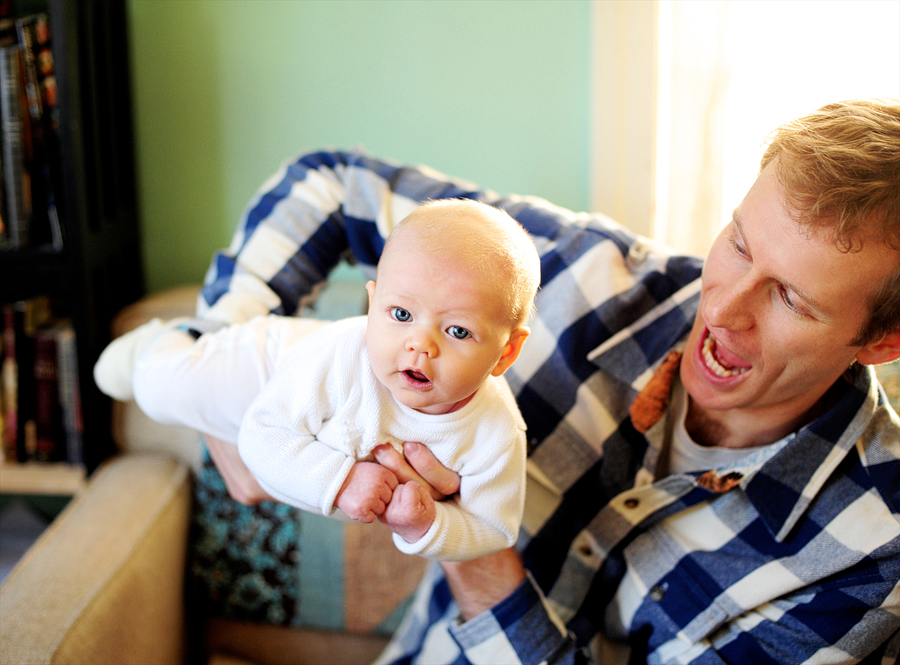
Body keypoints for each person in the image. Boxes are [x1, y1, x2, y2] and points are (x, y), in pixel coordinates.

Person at [179, 99, 900, 663]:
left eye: (791, 299)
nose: (725, 308)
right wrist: (218, 363)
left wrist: (471, 545)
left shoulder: (873, 557)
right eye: (738, 243)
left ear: (881, 340)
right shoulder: (587, 277)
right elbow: (329, 181)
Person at [95, 199, 540, 561]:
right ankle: (159, 345)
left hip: (317, 425)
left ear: (506, 353)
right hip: (272, 365)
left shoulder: (496, 433)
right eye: (401, 315)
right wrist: (343, 482)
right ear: (373, 305)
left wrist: (428, 526)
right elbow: (262, 432)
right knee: (161, 391)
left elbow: (494, 527)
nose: (420, 346)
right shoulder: (346, 352)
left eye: (457, 331)